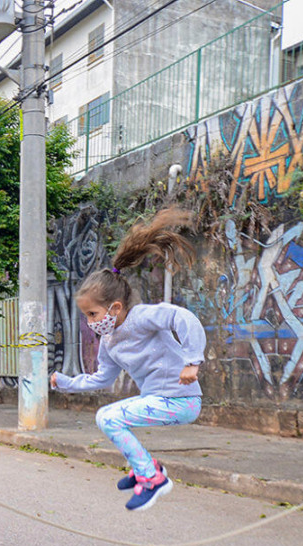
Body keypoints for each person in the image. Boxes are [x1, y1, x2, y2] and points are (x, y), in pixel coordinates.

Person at [50, 209, 206, 511]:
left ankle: (152, 477)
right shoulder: (109, 341)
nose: (90, 322)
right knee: (111, 418)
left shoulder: (141, 317)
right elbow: (102, 378)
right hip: (162, 399)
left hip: (182, 400)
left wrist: (193, 361)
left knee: (108, 418)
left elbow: (183, 318)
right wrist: (67, 382)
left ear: (116, 307)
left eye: (93, 314)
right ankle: (144, 468)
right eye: (86, 316)